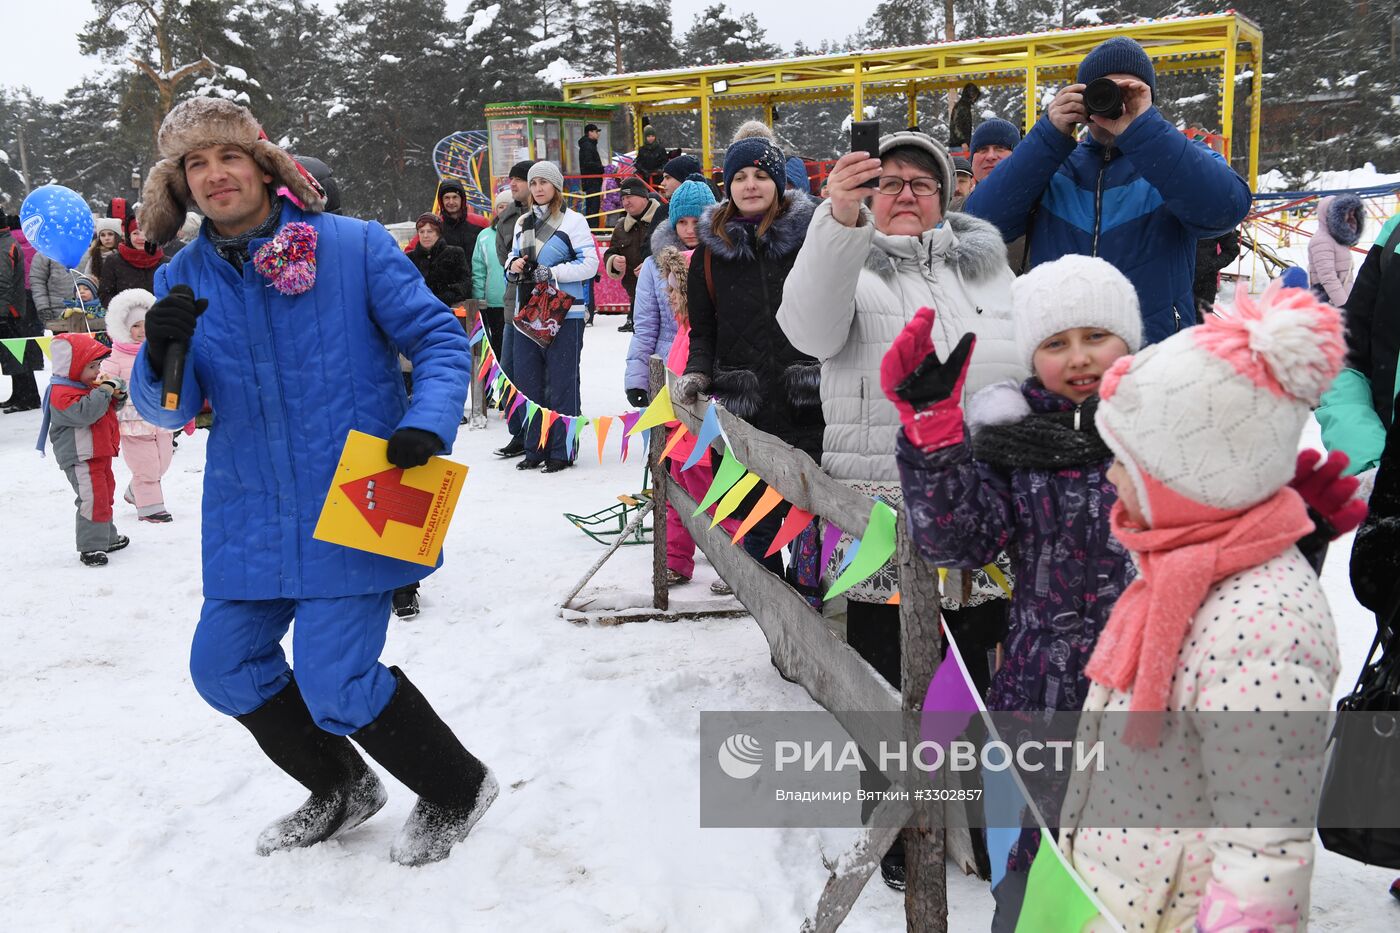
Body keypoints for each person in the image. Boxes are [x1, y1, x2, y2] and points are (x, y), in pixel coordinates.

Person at [128, 96, 495, 866]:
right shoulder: (182, 275)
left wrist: (427, 421)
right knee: (222, 664)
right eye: (195, 164)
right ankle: (342, 785)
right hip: (250, 508)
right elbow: (172, 407)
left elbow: (436, 336)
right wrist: (160, 352)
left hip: (360, 494)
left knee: (336, 684)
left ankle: (458, 785)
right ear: (183, 186)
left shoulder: (353, 246)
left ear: (263, 164)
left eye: (227, 156)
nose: (214, 174)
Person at [1059, 283, 1346, 931]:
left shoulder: (1262, 626)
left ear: (1196, 478)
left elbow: (1262, 851)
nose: (1109, 478)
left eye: (1127, 462)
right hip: (1120, 897)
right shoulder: (1175, 574)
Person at [964, 36, 1252, 341]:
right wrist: (1048, 135)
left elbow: (1225, 209)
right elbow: (980, 225)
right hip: (1061, 356)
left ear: (1148, 98)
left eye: (1127, 92)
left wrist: (1146, 130)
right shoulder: (1052, 163)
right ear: (1082, 99)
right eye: (1103, 90)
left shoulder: (1177, 158)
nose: (1115, 101)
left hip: (1154, 358)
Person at [674, 121, 821, 575]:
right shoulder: (710, 254)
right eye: (739, 177)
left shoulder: (811, 239)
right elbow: (703, 331)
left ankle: (814, 631)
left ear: (777, 184)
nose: (750, 184)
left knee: (814, 529)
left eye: (760, 175)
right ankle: (775, 630)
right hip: (745, 413)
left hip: (810, 407)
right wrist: (698, 373)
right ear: (727, 186)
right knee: (757, 530)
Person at [505, 160, 598, 472]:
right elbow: (512, 257)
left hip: (564, 312)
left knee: (562, 383)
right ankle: (535, 447)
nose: (538, 188)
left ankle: (562, 449)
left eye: (544, 182)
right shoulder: (522, 224)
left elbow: (590, 264)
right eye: (533, 183)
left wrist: (552, 271)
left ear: (556, 186)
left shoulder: (574, 222)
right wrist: (513, 265)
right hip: (528, 308)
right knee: (528, 383)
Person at [1316, 211, 1400, 488]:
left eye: (1354, 218)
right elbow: (1347, 358)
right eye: (1346, 218)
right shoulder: (1394, 234)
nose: (1350, 223)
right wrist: (1367, 461)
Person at [38, 332, 130, 566]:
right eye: (92, 366)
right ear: (72, 366)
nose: (97, 371)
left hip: (98, 452)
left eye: (98, 365)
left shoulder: (85, 385)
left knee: (104, 495)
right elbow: (85, 413)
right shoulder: (62, 393)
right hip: (81, 456)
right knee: (92, 498)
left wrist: (116, 395)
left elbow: (104, 409)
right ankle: (91, 546)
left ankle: (106, 537)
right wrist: (104, 391)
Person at [624, 176, 714, 410]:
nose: (690, 229)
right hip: (668, 368)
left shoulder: (720, 261)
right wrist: (637, 379)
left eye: (698, 221)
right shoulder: (654, 266)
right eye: (682, 221)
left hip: (711, 367)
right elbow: (645, 327)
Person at [100, 289, 176, 523]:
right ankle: (150, 507)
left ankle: (136, 490)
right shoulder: (116, 357)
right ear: (123, 328)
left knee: (163, 462)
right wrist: (107, 389)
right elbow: (105, 381)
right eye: (135, 326)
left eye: (146, 324)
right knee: (146, 466)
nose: (141, 331)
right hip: (132, 421)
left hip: (161, 418)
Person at [493, 160, 533, 460]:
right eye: (512, 180)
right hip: (512, 302)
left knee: (541, 376)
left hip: (544, 307)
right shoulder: (506, 219)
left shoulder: (552, 216)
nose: (514, 184)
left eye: (519, 179)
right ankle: (518, 432)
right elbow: (504, 258)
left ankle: (547, 432)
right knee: (509, 370)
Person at [604, 176, 666, 333]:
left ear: (644, 197)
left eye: (630, 196)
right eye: (623, 198)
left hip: (665, 298)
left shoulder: (663, 220)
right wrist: (613, 261)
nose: (625, 202)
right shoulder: (621, 226)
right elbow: (611, 251)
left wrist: (652, 265)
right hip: (636, 297)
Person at [0, 212, 43, 412]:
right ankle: (19, 395)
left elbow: (3, 282)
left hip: (10, 311)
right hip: (15, 307)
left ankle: (28, 398)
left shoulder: (5, 245)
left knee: (17, 355)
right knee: (14, 355)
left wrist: (2, 312)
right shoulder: (7, 241)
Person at [97, 199, 163, 308]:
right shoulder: (114, 262)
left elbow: (172, 296)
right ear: (129, 236)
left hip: (157, 321)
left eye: (145, 232)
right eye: (135, 233)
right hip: (124, 320)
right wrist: (124, 308)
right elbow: (104, 294)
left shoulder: (164, 263)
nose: (141, 238)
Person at [472, 189, 512, 359]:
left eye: (508, 206)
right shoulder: (485, 236)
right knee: (497, 346)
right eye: (500, 206)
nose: (504, 210)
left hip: (520, 301)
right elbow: (479, 270)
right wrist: (479, 298)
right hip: (494, 303)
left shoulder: (525, 231)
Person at [406, 212, 471, 309]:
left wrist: (445, 297)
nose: (425, 236)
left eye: (430, 231)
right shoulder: (410, 258)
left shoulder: (455, 253)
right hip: (418, 310)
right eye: (422, 231)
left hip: (448, 309)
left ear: (438, 233)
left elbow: (465, 283)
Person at [1310, 193, 1364, 306]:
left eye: (1351, 212)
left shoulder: (1337, 239)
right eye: (1344, 213)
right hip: (1331, 303)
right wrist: (1344, 305)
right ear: (1331, 215)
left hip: (1342, 299)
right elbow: (1327, 277)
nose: (1350, 216)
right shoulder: (1322, 241)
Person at [432, 180, 484, 294]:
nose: (451, 202)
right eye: (447, 198)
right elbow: (413, 251)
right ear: (441, 201)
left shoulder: (480, 224)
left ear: (462, 199)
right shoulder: (434, 226)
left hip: (477, 287)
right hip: (447, 291)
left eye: (455, 197)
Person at [1192, 228, 1240, 321]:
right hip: (1177, 281)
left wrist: (1211, 265)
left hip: (1205, 283)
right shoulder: (1177, 216)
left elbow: (1232, 250)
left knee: (1202, 322)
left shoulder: (1214, 220)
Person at [578, 123, 605, 228]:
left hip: (591, 180)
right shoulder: (588, 146)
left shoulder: (588, 144)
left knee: (592, 205)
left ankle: (593, 227)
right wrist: (601, 168)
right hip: (592, 180)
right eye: (596, 131)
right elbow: (588, 163)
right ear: (590, 132)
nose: (598, 134)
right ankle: (593, 228)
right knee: (593, 205)